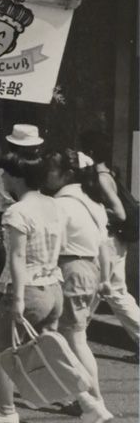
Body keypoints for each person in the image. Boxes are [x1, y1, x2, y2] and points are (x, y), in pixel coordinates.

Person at [0, 149, 113, 423]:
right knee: (48, 352)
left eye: (6, 173)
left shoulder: (17, 212)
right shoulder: (53, 205)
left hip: (28, 289)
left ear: (16, 177)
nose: (3, 178)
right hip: (54, 287)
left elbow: (17, 258)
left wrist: (18, 299)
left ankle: (6, 409)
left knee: (0, 347)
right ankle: (89, 403)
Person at [46, 148, 112, 414]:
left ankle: (95, 400)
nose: (45, 175)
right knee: (75, 337)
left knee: (75, 339)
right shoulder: (92, 202)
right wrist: (105, 278)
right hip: (91, 269)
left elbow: (54, 244)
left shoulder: (61, 204)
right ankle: (84, 396)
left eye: (50, 169)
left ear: (67, 174)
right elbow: (104, 246)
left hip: (70, 269)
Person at [80, 129, 140, 349]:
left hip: (110, 241)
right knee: (110, 291)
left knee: (107, 290)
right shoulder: (110, 173)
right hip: (116, 241)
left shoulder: (100, 178)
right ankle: (74, 336)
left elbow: (120, 213)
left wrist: (94, 210)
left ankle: (73, 336)